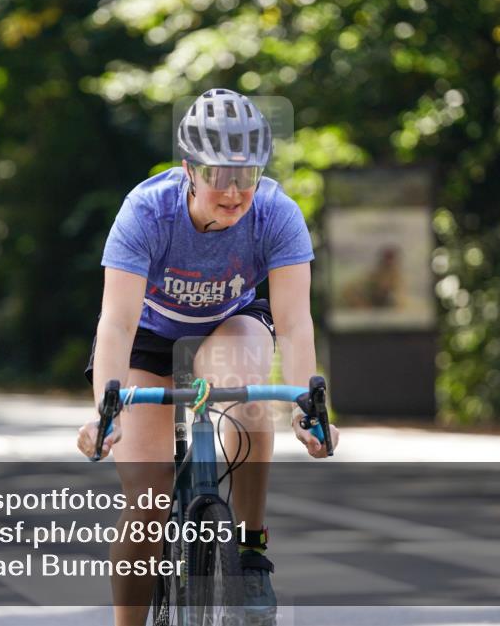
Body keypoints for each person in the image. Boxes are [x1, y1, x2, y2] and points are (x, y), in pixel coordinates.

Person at [76, 88, 340, 626]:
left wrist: (308, 410)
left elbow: (293, 324)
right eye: (220, 174)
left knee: (246, 389)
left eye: (250, 174)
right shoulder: (146, 212)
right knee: (148, 508)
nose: (236, 190)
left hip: (230, 324)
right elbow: (117, 321)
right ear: (189, 170)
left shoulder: (276, 213)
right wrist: (106, 414)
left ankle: (249, 548)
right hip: (146, 340)